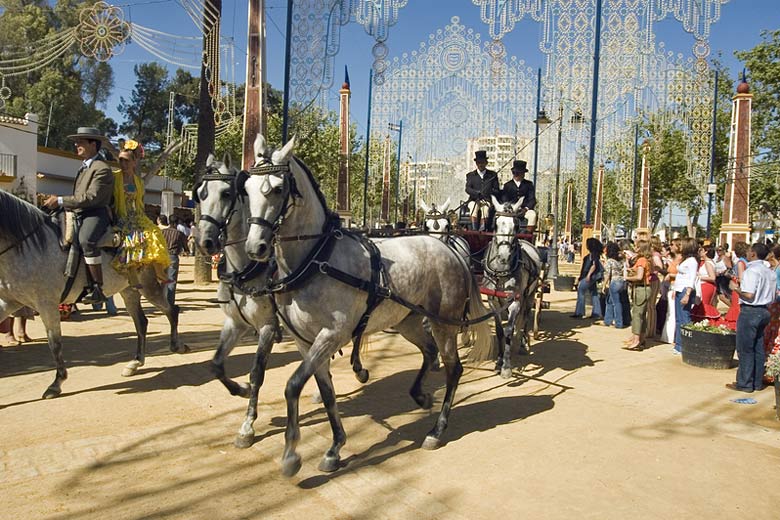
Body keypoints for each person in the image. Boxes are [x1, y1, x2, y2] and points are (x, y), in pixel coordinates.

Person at [43, 126, 114, 305]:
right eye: (77, 142)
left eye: (80, 141)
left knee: (85, 240)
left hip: (95, 213)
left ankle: (98, 287)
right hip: (78, 212)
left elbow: (91, 197)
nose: (76, 144)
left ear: (93, 144)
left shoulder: (102, 168)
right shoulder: (83, 167)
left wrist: (59, 200)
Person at [111, 139, 171, 285]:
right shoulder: (114, 177)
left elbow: (139, 202)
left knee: (155, 234)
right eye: (121, 160)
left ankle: (159, 272)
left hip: (137, 215)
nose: (123, 164)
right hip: (121, 216)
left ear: (134, 162)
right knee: (132, 239)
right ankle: (131, 274)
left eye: (126, 161)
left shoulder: (138, 182)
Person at [726, 243, 776, 393]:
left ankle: (745, 383)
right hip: (764, 310)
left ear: (753, 254)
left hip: (751, 311)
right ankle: (756, 382)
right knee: (758, 347)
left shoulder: (752, 271)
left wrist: (735, 288)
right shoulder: (770, 272)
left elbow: (749, 295)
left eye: (749, 251)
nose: (747, 253)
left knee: (745, 348)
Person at [672, 237, 699, 354]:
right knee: (678, 319)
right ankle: (679, 345)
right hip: (679, 289)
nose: (680, 247)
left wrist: (687, 294)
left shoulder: (692, 261)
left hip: (685, 290)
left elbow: (692, 278)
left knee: (684, 318)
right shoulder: (685, 259)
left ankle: (686, 345)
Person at [624, 239, 652, 350]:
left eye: (636, 246)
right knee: (642, 314)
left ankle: (636, 339)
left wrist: (627, 278)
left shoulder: (641, 260)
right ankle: (641, 337)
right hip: (643, 288)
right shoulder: (645, 260)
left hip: (641, 288)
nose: (634, 248)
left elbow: (639, 276)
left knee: (637, 314)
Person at [465, 150, 500, 231]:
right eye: (479, 162)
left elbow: (497, 190)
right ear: (476, 163)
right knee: (473, 208)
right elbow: (468, 188)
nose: (481, 164)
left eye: (482, 162)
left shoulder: (493, 175)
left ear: (486, 163)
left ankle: (482, 229)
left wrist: (487, 193)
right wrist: (476, 193)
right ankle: (474, 230)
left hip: (486, 200)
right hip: (474, 200)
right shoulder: (470, 175)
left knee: (486, 209)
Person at [158, 214, 188, 307]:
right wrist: (186, 251)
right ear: (176, 223)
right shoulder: (179, 233)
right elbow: (185, 246)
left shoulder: (162, 232)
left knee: (161, 279)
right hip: (172, 257)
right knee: (171, 280)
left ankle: (160, 301)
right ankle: (169, 303)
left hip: (161, 257)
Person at [572, 237, 604, 320]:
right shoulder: (595, 254)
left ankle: (579, 312)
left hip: (589, 276)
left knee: (581, 291)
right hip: (594, 276)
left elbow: (593, 265)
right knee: (594, 293)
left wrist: (588, 275)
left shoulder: (592, 255)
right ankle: (597, 312)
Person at [501, 160, 537, 232]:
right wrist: (511, 209)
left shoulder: (529, 185)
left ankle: (527, 237)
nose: (516, 175)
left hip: (525, 210)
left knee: (532, 215)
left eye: (518, 173)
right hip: (511, 210)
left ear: (523, 173)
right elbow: (504, 200)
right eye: (515, 173)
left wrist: (525, 209)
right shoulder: (507, 185)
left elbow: (532, 199)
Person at [762, 244, 780, 384]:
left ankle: (770, 372)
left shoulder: (777, 269)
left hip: (775, 305)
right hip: (774, 304)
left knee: (773, 334)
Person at [722, 241, 750, 330]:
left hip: (737, 289)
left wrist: (733, 278)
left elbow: (741, 279)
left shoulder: (741, 262)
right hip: (740, 288)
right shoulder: (746, 262)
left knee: (736, 308)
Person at [691, 244, 720, 323]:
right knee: (701, 305)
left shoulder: (708, 263)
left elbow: (712, 277)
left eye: (702, 251)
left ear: (706, 252)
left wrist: (699, 277)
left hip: (706, 285)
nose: (700, 252)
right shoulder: (709, 262)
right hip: (706, 285)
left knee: (704, 305)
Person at [602, 241, 626, 329]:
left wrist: (604, 285)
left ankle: (618, 322)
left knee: (616, 303)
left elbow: (608, 274)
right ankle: (607, 320)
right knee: (610, 301)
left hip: (614, 282)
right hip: (621, 282)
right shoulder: (620, 261)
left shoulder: (610, 261)